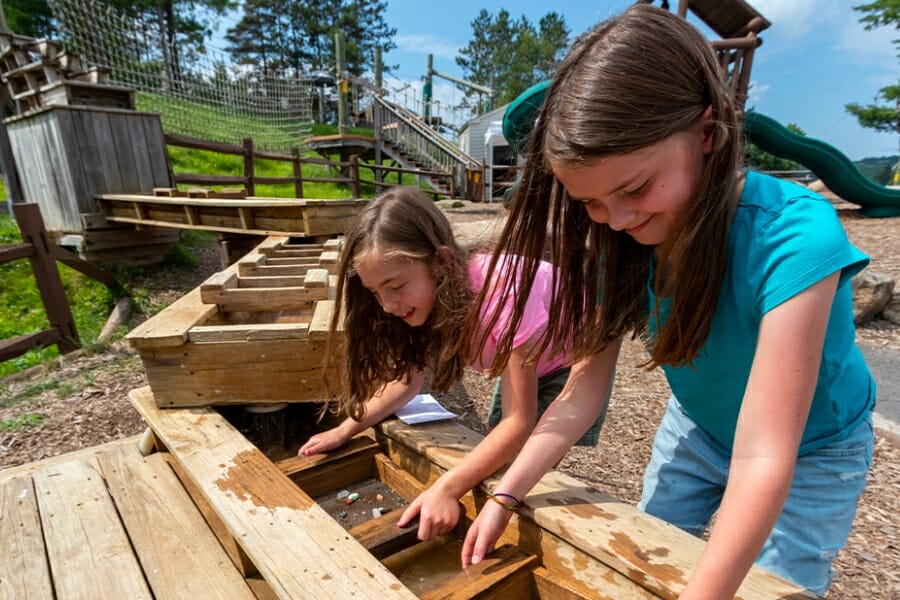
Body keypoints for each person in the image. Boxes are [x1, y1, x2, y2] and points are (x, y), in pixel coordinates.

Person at [460, 4, 875, 598]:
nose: (618, 218)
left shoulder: (795, 239)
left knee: (778, 583)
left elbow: (764, 455)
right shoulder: (615, 241)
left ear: (707, 133)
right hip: (700, 424)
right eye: (591, 203)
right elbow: (580, 396)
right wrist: (507, 491)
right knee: (647, 546)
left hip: (814, 446)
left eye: (635, 188)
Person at [298, 186, 606, 541]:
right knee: (497, 458)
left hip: (570, 363)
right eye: (374, 292)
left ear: (441, 263)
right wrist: (345, 429)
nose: (385, 305)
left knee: (525, 465)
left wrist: (445, 488)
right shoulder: (429, 297)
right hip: (523, 355)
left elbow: (519, 421)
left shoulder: (502, 297)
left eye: (395, 285)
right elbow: (405, 383)